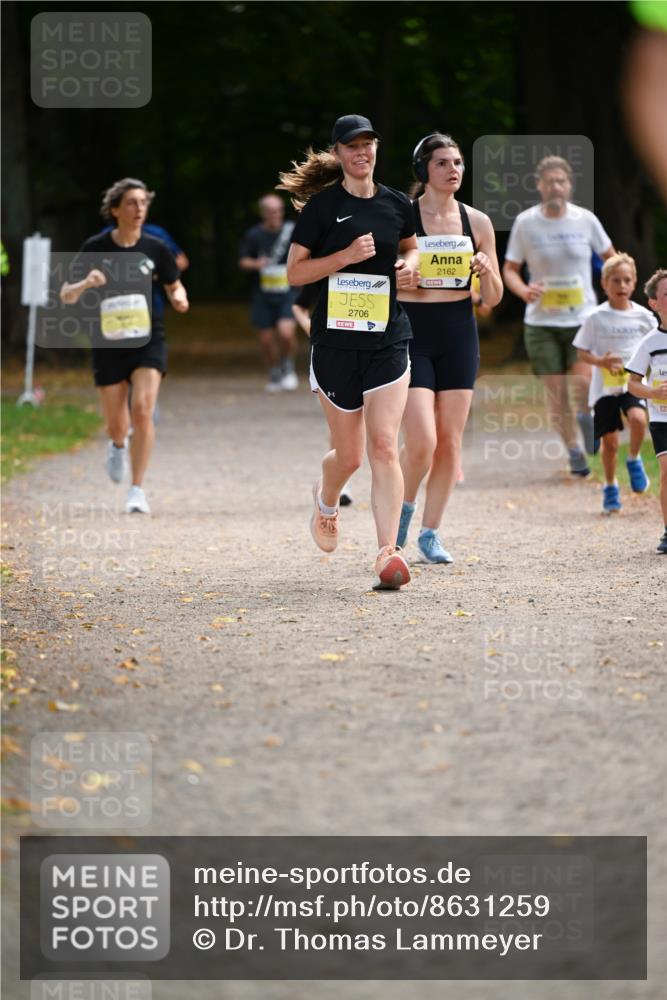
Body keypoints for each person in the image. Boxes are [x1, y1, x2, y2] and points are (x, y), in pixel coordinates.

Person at [280, 114, 419, 590]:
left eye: (369, 144)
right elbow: (295, 274)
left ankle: (387, 551)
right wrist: (344, 257)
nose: (362, 153)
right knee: (350, 455)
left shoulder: (398, 204)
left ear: (377, 150)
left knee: (383, 445)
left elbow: (412, 249)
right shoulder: (321, 209)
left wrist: (407, 266)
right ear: (338, 153)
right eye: (352, 146)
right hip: (336, 344)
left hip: (388, 338)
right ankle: (326, 500)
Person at [396, 133, 503, 562]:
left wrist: (486, 271)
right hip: (411, 331)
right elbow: (384, 275)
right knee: (422, 439)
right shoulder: (402, 217)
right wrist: (402, 275)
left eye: (458, 162)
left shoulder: (476, 222)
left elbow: (492, 298)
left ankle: (430, 533)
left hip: (459, 332)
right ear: (423, 171)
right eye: (442, 163)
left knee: (451, 441)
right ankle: (400, 512)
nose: (453, 170)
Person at [60, 178, 189, 514]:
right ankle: (118, 444)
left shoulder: (156, 247)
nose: (139, 209)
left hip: (148, 339)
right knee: (118, 423)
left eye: (143, 203)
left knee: (143, 408)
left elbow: (175, 285)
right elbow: (66, 294)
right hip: (107, 342)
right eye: (131, 203)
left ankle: (137, 489)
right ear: (115, 209)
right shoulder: (95, 248)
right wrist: (87, 283)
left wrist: (178, 298)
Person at [503, 155, 616, 475]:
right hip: (540, 323)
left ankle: (586, 418)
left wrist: (616, 292)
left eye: (561, 181)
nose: (555, 186)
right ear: (539, 185)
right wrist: (524, 290)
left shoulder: (586, 220)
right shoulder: (526, 223)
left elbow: (612, 259)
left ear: (569, 185)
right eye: (549, 181)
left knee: (582, 384)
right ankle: (573, 453)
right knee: (556, 394)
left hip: (581, 318)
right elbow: (509, 269)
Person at [573, 253, 655, 513]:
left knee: (639, 420)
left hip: (632, 383)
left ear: (634, 284)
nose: (621, 285)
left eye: (627, 280)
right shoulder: (595, 317)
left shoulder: (645, 317)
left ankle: (633, 459)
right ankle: (610, 486)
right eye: (615, 280)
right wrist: (600, 362)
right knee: (609, 442)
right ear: (604, 283)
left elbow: (655, 348)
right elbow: (582, 351)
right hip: (604, 387)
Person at [292, 282, 355, 506]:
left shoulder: (384, 267)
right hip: (331, 351)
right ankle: (341, 483)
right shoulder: (326, 269)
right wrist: (312, 329)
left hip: (375, 352)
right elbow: (298, 306)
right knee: (341, 423)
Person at [238, 194, 299, 393]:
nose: (275, 215)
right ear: (263, 213)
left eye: (278, 210)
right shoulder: (254, 235)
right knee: (266, 339)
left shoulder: (293, 231)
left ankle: (287, 365)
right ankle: (274, 370)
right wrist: (257, 264)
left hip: (288, 291)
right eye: (271, 211)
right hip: (262, 293)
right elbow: (243, 261)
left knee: (286, 333)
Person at [626, 269, 667, 553]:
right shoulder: (650, 342)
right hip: (663, 418)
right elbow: (631, 384)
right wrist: (652, 393)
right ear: (654, 303)